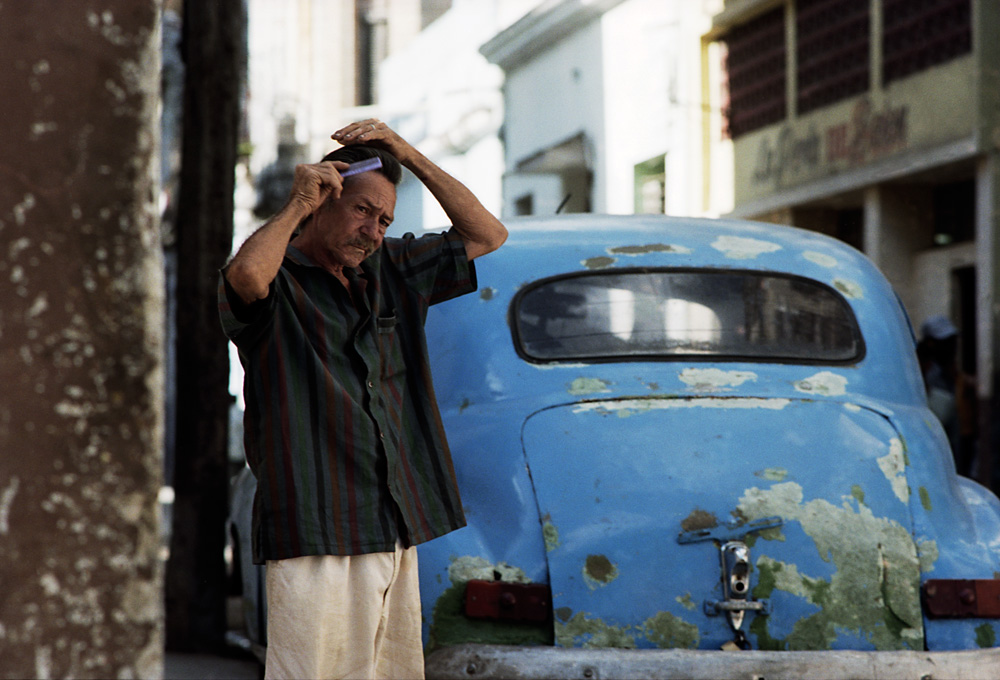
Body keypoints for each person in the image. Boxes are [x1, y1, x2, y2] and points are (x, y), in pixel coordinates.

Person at [219, 119, 507, 679]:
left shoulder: (391, 268)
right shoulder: (279, 278)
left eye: (384, 220)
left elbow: (486, 235)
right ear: (325, 199)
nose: (373, 231)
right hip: (315, 524)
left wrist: (407, 154)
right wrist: (298, 202)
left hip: (393, 520)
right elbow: (245, 279)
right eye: (362, 211)